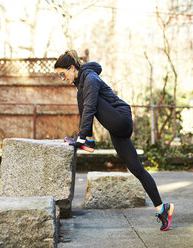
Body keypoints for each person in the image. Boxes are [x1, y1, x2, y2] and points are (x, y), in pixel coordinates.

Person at [54, 50, 174, 231]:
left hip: (121, 119)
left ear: (72, 68)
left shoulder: (90, 78)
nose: (62, 78)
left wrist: (82, 135)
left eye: (63, 74)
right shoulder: (84, 80)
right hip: (116, 127)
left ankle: (86, 139)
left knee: (84, 96)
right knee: (137, 169)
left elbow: (90, 107)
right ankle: (162, 209)